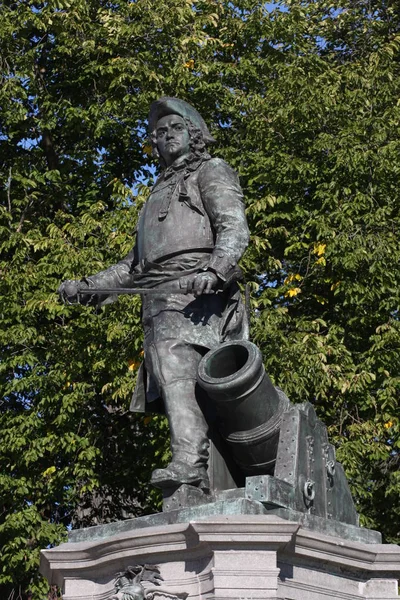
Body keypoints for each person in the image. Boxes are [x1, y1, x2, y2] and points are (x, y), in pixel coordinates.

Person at [59, 97, 250, 492]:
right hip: (158, 298)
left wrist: (215, 270)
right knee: (170, 373)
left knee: (173, 360)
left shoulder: (210, 171)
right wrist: (90, 287)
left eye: (174, 129)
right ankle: (194, 460)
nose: (165, 137)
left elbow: (234, 227)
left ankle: (188, 462)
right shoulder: (154, 193)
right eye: (159, 134)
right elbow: (133, 266)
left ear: (193, 134)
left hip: (199, 291)